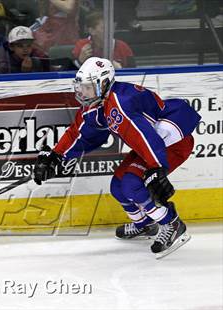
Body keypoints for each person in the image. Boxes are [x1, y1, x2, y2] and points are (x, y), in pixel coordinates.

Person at [33, 57, 201, 258]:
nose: (81, 92)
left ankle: (172, 223)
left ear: (103, 84)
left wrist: (156, 167)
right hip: (150, 146)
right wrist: (56, 156)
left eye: (87, 87)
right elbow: (82, 133)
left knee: (132, 184)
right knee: (118, 186)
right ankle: (145, 225)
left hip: (171, 145)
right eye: (80, 87)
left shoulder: (120, 104)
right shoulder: (97, 103)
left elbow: (145, 136)